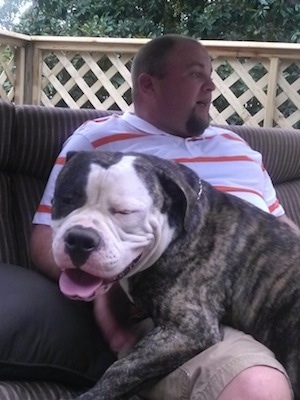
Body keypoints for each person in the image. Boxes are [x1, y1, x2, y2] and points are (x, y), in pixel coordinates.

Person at [30, 34, 298, 400]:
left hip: (272, 304)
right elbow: (47, 238)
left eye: (211, 75)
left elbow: (283, 229)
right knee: (258, 387)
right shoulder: (96, 142)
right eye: (194, 74)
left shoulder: (237, 146)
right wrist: (102, 281)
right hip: (179, 313)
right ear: (148, 84)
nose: (211, 86)